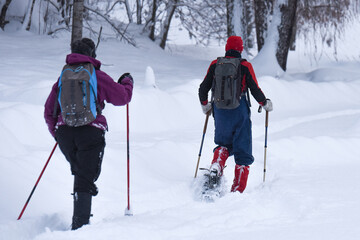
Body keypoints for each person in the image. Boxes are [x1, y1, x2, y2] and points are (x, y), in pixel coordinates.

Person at [44, 38, 133, 230]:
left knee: (82, 174)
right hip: (90, 132)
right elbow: (122, 97)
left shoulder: (63, 77)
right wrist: (127, 82)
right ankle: (80, 227)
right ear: (92, 54)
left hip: (65, 133)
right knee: (86, 177)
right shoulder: (96, 75)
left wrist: (57, 134)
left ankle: (81, 219)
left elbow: (49, 109)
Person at [198, 36, 273, 193]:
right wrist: (264, 103)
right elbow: (254, 89)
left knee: (223, 144)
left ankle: (217, 166)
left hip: (219, 112)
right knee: (243, 149)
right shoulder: (245, 65)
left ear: (227, 48)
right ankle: (237, 190)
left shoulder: (215, 64)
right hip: (239, 112)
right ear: (240, 49)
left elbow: (203, 88)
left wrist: (205, 105)